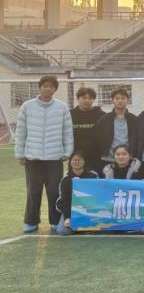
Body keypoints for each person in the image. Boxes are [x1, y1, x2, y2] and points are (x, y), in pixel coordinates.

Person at [16, 75, 74, 234]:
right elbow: (21, 131)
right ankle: (31, 221)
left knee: (54, 191)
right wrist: (20, 153)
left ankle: (55, 221)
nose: (48, 89)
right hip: (32, 157)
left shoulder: (62, 107)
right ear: (39, 87)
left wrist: (67, 151)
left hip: (54, 158)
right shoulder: (27, 106)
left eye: (51, 86)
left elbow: (67, 131)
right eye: (45, 86)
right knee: (33, 192)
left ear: (55, 89)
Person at [55, 151, 98, 235]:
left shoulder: (93, 176)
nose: (77, 162)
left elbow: (98, 195)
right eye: (74, 160)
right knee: (63, 231)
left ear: (84, 161)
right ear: (70, 162)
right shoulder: (66, 179)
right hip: (71, 210)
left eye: (79, 160)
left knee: (97, 228)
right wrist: (67, 218)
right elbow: (64, 201)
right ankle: (79, 226)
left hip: (89, 209)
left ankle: (82, 226)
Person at [96, 87, 137, 172]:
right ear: (112, 100)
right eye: (117, 98)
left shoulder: (134, 119)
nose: (120, 101)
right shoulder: (104, 119)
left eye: (123, 98)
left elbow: (137, 139)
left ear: (127, 100)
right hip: (107, 159)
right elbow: (97, 138)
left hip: (128, 160)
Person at [71, 86, 104, 173]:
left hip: (95, 156)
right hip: (76, 156)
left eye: (90, 98)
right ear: (78, 99)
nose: (87, 100)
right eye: (84, 98)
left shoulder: (101, 115)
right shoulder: (70, 115)